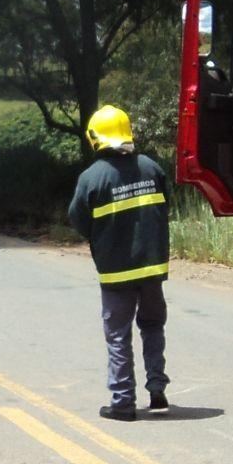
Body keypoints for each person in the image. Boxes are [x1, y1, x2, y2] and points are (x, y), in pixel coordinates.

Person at [68, 105, 171, 422]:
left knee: (117, 336)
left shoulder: (92, 178)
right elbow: (166, 207)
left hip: (116, 272)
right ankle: (157, 392)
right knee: (153, 326)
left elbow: (78, 220)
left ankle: (123, 402)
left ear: (95, 138)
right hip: (152, 270)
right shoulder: (151, 168)